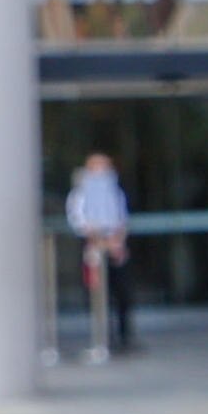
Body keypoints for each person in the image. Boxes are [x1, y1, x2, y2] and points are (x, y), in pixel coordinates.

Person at [62, 148, 135, 358]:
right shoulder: (80, 194)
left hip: (115, 248)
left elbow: (122, 217)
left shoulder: (115, 192)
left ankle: (124, 336)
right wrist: (98, 239)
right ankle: (104, 336)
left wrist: (116, 241)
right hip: (93, 248)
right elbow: (79, 220)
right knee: (97, 292)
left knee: (122, 290)